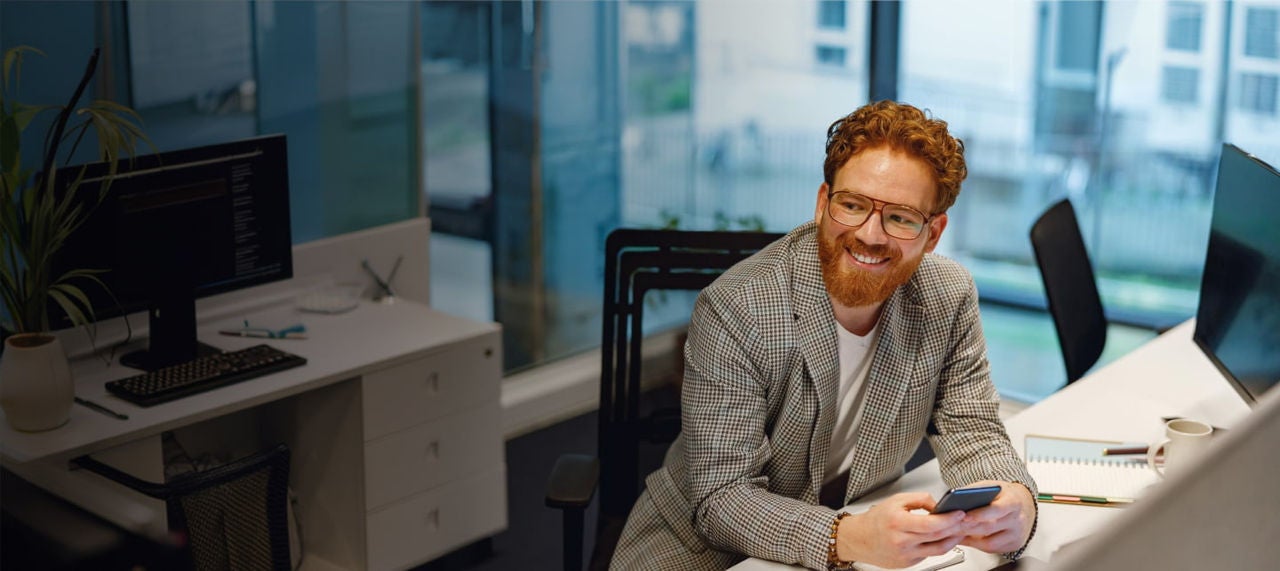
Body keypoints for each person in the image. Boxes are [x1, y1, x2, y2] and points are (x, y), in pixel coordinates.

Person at [611, 100, 1038, 570]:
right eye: (852, 205)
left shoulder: (947, 297)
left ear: (932, 233)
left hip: (854, 537)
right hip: (701, 552)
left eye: (899, 217)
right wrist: (847, 537)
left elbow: (972, 431)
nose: (870, 235)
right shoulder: (738, 307)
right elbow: (721, 498)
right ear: (822, 203)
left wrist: (1016, 503)